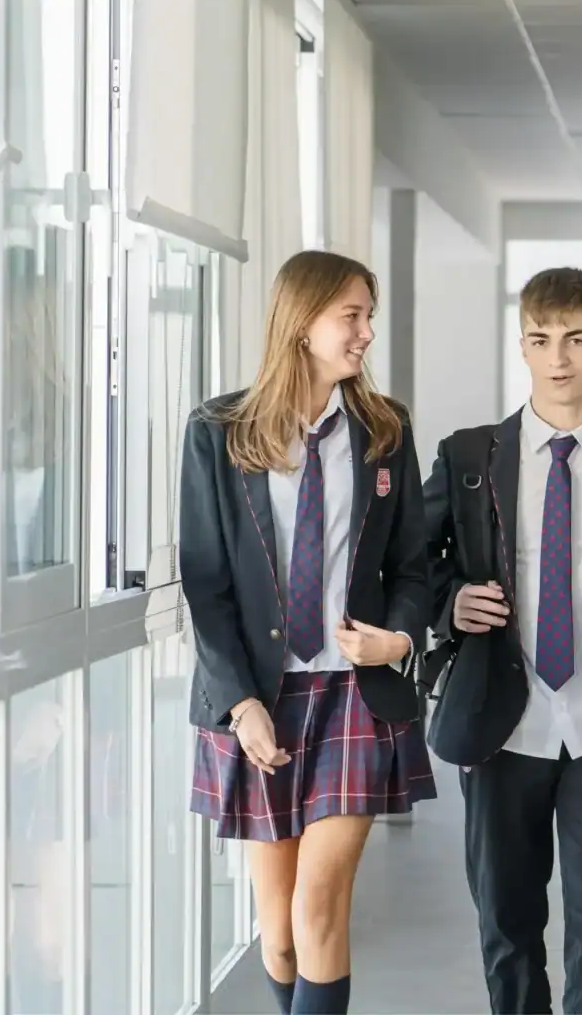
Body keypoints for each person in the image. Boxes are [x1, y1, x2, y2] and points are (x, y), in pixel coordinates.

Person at [422, 266, 582, 1015]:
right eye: (542, 341)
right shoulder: (470, 457)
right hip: (503, 721)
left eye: (576, 339)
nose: (560, 358)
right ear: (523, 347)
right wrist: (450, 603)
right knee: (506, 922)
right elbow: (411, 565)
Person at [180, 250, 436, 1015]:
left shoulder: (385, 430)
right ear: (303, 324)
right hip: (258, 697)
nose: (366, 333)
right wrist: (240, 703)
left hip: (355, 695)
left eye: (368, 316)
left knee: (320, 909)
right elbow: (206, 582)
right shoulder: (217, 432)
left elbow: (413, 568)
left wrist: (399, 640)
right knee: (280, 931)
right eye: (351, 316)